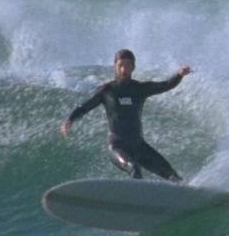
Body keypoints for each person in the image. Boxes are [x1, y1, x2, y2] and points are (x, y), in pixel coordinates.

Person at [60, 49, 192, 182]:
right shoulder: (107, 91)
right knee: (134, 168)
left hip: (139, 146)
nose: (124, 69)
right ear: (115, 66)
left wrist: (179, 75)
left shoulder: (140, 89)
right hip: (118, 147)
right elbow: (85, 106)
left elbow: (166, 85)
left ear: (133, 67)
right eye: (120, 65)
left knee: (173, 176)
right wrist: (70, 119)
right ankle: (137, 199)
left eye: (127, 65)